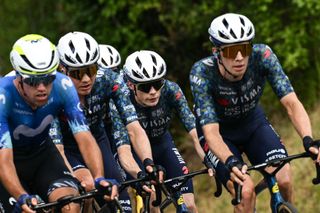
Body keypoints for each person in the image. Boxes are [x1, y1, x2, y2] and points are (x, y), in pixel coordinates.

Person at [190, 13, 319, 213]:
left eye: (245, 48)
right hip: (220, 134)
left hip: (253, 123)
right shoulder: (202, 72)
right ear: (217, 51)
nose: (240, 58)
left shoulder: (263, 56)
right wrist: (230, 161)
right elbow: (211, 133)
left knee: (284, 177)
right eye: (232, 51)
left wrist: (309, 140)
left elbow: (291, 103)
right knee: (246, 191)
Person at [0, 34, 117, 213]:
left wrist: (99, 178)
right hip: (9, 161)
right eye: (33, 81)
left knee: (71, 206)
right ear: (19, 78)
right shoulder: (3, 96)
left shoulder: (63, 85)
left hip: (42, 155)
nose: (42, 88)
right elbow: (5, 160)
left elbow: (85, 137)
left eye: (48, 79)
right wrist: (21, 196)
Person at [50, 31, 163, 212]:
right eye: (78, 73)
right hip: (67, 147)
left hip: (96, 140)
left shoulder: (107, 79)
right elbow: (58, 149)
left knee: (120, 202)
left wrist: (147, 163)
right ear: (63, 69)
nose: (86, 79)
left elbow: (134, 128)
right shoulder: (54, 90)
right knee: (85, 189)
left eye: (91, 70)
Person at [110, 50, 209, 213]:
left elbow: (194, 129)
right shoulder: (120, 101)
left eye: (157, 84)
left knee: (189, 206)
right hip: (135, 154)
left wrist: (209, 157)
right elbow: (124, 152)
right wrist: (140, 173)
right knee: (153, 206)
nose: (153, 91)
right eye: (145, 87)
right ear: (130, 85)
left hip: (163, 145)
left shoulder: (171, 91)